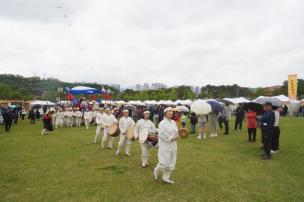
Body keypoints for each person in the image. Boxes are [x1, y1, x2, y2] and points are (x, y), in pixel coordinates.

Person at [154, 107, 179, 184]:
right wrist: (170, 138)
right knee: (164, 163)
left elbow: (176, 131)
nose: (171, 112)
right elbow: (161, 135)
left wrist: (178, 135)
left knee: (171, 163)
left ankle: (166, 178)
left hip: (173, 145)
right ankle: (157, 169)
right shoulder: (162, 123)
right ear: (165, 113)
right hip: (165, 145)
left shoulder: (173, 122)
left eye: (172, 111)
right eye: (169, 111)